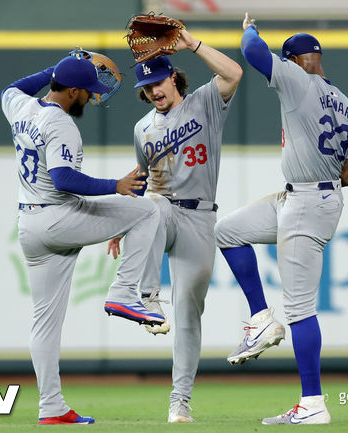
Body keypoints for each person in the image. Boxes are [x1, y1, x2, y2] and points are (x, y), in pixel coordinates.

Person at [0, 52, 165, 425]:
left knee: (44, 323)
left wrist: (55, 68)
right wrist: (116, 186)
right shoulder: (60, 124)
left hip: (31, 226)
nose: (91, 98)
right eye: (86, 91)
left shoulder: (22, 107)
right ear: (71, 90)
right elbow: (64, 180)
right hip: (58, 216)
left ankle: (52, 408)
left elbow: (9, 89)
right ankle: (124, 293)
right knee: (147, 211)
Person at [214, 13, 348, 425]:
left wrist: (249, 27)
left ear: (296, 61)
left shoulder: (298, 80)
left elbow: (251, 52)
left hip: (306, 202)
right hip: (307, 195)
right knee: (227, 230)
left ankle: (312, 403)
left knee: (300, 309)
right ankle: (260, 319)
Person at [107, 26, 242, 423]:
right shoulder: (142, 128)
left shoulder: (203, 103)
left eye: (158, 82)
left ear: (174, 77)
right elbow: (143, 177)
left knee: (187, 313)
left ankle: (179, 400)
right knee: (153, 209)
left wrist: (193, 44)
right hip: (164, 208)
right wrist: (122, 219)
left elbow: (233, 73)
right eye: (147, 87)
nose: (154, 91)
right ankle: (145, 296)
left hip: (201, 218)